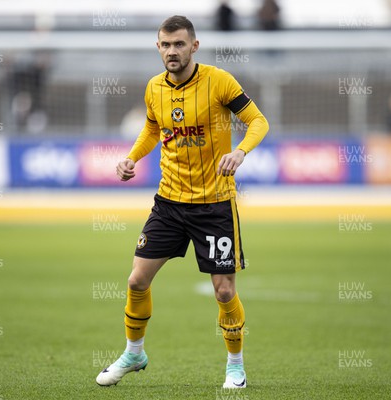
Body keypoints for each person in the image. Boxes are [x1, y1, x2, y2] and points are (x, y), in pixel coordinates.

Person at [96, 16, 269, 389]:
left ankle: (235, 365)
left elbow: (257, 122)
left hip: (215, 204)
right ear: (158, 48)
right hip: (169, 204)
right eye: (165, 45)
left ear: (194, 46)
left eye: (178, 44)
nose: (171, 51)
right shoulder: (153, 88)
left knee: (224, 290)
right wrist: (133, 158)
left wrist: (240, 152)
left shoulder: (219, 81)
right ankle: (134, 352)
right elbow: (154, 129)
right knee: (137, 281)